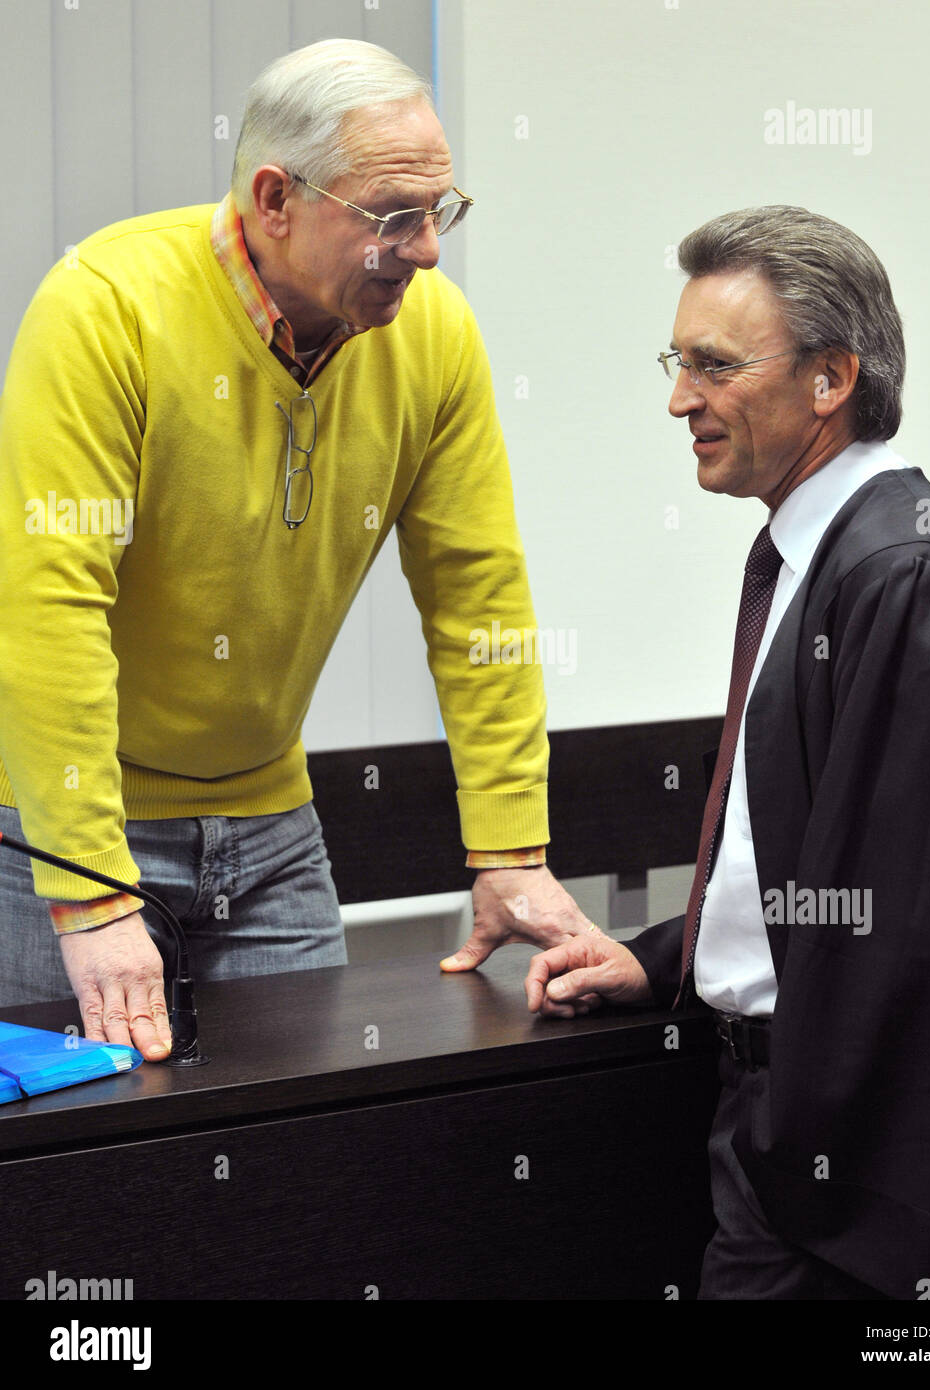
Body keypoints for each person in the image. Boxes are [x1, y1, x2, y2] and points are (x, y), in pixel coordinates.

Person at [0, 39, 588, 1062]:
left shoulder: (435, 335)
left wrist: (510, 850)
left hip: (271, 835)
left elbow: (477, 601)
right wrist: (90, 893)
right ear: (275, 197)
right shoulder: (103, 305)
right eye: (394, 217)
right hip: (51, 839)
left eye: (439, 210)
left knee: (305, 1174)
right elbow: (50, 605)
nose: (427, 248)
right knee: (68, 1190)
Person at [525, 206, 930, 1300]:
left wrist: (810, 1174)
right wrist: (662, 958)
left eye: (713, 366)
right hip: (784, 1146)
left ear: (829, 379)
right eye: (676, 363)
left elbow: (926, 933)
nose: (677, 399)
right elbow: (797, 856)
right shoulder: (817, 555)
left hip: (841, 1201)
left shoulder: (907, 578)